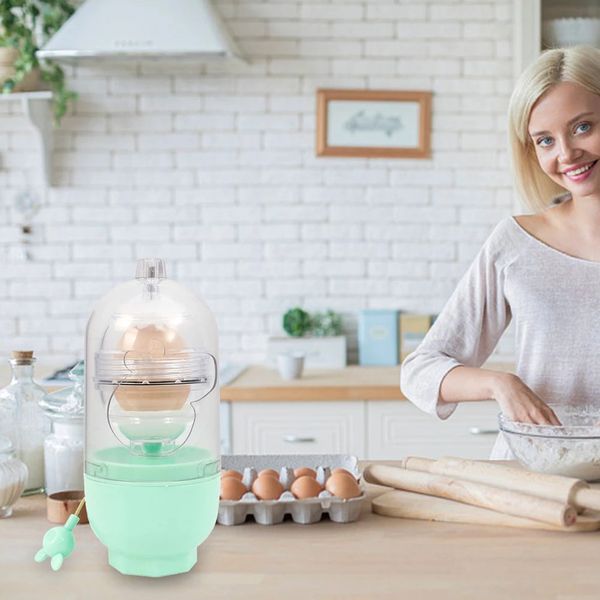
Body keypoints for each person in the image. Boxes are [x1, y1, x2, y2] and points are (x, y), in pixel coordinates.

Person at [400, 46, 600, 459]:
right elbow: (419, 370)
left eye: (582, 127)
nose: (565, 154)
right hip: (531, 482)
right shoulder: (515, 244)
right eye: (545, 140)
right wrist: (499, 384)